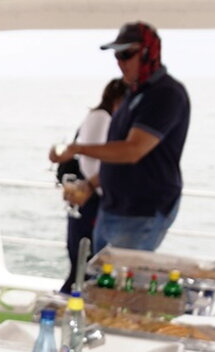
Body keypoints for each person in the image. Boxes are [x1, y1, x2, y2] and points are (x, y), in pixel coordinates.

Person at [49, 22, 190, 252]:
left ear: (148, 52)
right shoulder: (133, 94)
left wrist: (77, 149)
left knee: (120, 274)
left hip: (141, 211)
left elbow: (133, 150)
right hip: (113, 207)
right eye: (117, 55)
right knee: (98, 270)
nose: (120, 62)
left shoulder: (165, 94)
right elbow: (116, 153)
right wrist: (90, 184)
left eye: (127, 54)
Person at [57, 78, 128, 291]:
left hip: (87, 198)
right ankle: (70, 305)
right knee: (85, 266)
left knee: (82, 264)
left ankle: (70, 303)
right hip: (90, 199)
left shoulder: (97, 117)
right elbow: (100, 163)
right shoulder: (102, 119)